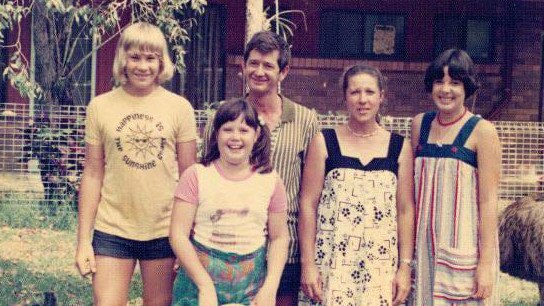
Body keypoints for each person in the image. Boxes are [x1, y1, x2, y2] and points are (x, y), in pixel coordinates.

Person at [75, 22, 197, 305]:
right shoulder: (100, 107)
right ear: (123, 59)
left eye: (150, 58)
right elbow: (93, 173)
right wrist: (83, 241)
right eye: (135, 57)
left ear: (161, 61)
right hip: (112, 229)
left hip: (165, 230)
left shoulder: (180, 108)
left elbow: (191, 176)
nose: (143, 66)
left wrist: (188, 237)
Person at [202, 31, 319, 306]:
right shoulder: (222, 117)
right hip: (227, 244)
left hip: (284, 247)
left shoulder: (305, 120)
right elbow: (205, 177)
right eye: (253, 63)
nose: (259, 71)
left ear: (284, 71)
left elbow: (310, 195)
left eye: (268, 65)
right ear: (242, 67)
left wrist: (307, 258)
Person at [297, 64, 415, 306]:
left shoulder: (399, 147)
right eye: (355, 92)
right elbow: (308, 204)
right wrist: (308, 264)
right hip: (332, 265)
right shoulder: (324, 142)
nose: (363, 100)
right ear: (345, 97)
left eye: (370, 92)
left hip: (380, 269)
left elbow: (405, 210)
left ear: (381, 96)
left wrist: (404, 267)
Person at [170, 98, 289, 306]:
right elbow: (178, 234)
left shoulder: (271, 181)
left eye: (244, 130)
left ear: (257, 134)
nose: (235, 137)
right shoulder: (196, 175)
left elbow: (279, 238)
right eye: (228, 129)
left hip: (250, 288)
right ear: (216, 134)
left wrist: (270, 288)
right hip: (198, 283)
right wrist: (204, 285)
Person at [409, 49, 501, 305]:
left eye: (454, 83)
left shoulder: (482, 131)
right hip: (424, 246)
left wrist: (485, 264)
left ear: (467, 87)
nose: (445, 89)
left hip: (464, 246)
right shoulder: (420, 124)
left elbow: (489, 201)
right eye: (439, 81)